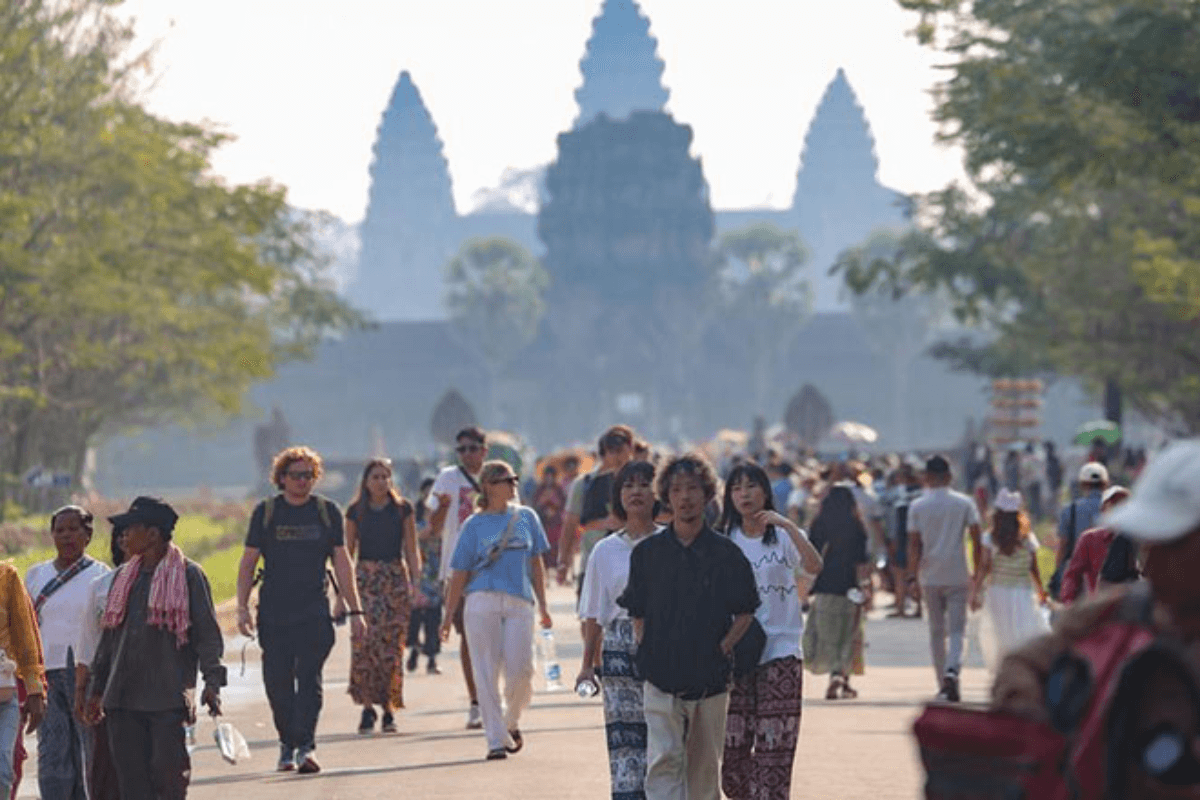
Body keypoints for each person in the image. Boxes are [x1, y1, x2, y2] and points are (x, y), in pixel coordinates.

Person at [990, 440, 1200, 798]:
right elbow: (1024, 662)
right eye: (1151, 542)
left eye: (1172, 543)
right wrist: (1042, 718)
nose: (1154, 559)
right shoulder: (1119, 612)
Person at [617, 453, 760, 800]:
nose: (685, 497)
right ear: (665, 495)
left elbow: (746, 611)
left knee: (704, 769)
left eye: (693, 489)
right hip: (660, 676)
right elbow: (637, 610)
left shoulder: (726, 554)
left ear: (708, 494)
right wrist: (647, 644)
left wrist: (723, 647)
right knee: (663, 761)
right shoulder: (647, 554)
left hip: (710, 678)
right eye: (677, 489)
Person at [236, 445, 366, 774]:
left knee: (310, 679)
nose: (303, 481)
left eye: (309, 475)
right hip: (275, 612)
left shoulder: (326, 511)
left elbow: (342, 561)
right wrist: (241, 608)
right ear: (282, 477)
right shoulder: (266, 512)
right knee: (277, 682)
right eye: (296, 475)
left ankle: (306, 746)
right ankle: (287, 742)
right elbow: (249, 560)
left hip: (313, 610)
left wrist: (356, 611)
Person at [83, 496, 225, 800]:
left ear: (152, 534)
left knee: (169, 777)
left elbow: (207, 636)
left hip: (166, 699)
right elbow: (109, 641)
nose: (124, 536)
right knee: (132, 785)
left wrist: (213, 682)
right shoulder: (123, 578)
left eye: (130, 529)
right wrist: (96, 690)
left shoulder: (188, 576)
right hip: (121, 700)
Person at [719, 463, 823, 800]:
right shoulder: (724, 538)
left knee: (775, 749)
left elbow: (813, 566)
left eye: (751, 486)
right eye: (737, 488)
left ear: (765, 491)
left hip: (781, 650)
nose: (745, 494)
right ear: (729, 496)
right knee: (733, 757)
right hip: (736, 653)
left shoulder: (781, 535)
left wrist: (791, 526)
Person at [441, 460, 552, 761]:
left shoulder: (527, 517)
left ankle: (510, 722)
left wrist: (543, 604)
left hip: (519, 602)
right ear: (488, 485)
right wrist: (448, 616)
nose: (513, 483)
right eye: (506, 479)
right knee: (485, 671)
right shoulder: (473, 525)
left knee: (522, 670)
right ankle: (494, 740)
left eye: (515, 478)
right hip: (481, 601)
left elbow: (537, 564)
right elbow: (459, 573)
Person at [576, 460, 662, 800]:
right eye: (628, 486)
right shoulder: (605, 550)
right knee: (626, 743)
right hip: (618, 652)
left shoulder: (671, 543)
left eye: (644, 485)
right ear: (618, 496)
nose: (636, 492)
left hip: (664, 645)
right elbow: (594, 614)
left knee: (665, 738)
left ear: (658, 493)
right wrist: (586, 665)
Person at [23, 505, 109, 800]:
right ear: (52, 536)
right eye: (60, 530)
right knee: (53, 750)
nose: (66, 536)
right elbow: (21, 630)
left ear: (88, 535)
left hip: (86, 673)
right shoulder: (35, 576)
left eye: (74, 529)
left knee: (90, 749)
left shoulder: (102, 577)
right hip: (45, 676)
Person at [344, 458, 421, 735]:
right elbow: (347, 554)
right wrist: (342, 595)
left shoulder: (402, 510)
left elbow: (412, 550)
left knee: (391, 646)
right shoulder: (356, 512)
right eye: (375, 477)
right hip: (365, 581)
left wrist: (416, 584)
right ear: (366, 482)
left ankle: (389, 707)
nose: (381, 482)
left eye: (385, 477)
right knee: (365, 645)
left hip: (393, 580)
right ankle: (367, 707)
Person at [907, 454, 982, 702]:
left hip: (930, 575)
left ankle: (942, 684)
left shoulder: (917, 505)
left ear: (926, 478)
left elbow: (914, 545)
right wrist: (978, 574)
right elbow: (977, 539)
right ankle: (953, 671)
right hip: (958, 573)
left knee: (937, 631)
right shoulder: (964, 503)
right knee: (958, 630)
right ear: (949, 477)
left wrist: (911, 577)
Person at [427, 426, 488, 729]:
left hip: (494, 568)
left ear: (484, 450)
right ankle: (476, 701)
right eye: (461, 449)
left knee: (495, 636)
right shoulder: (447, 479)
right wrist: (444, 508)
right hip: (459, 569)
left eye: (473, 448)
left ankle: (491, 693)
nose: (467, 454)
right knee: (469, 636)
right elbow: (434, 527)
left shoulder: (495, 477)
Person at [76, 521, 130, 800]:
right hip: (106, 688)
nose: (126, 540)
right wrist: (81, 690)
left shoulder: (170, 581)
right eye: (121, 535)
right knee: (105, 764)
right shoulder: (101, 586)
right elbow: (89, 643)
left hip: (150, 689)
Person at [803, 485, 871, 700]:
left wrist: (804, 588)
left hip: (825, 586)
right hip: (850, 587)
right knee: (849, 634)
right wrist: (867, 587)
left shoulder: (819, 523)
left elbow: (810, 557)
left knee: (828, 635)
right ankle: (843, 677)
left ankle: (835, 674)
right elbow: (862, 562)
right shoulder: (857, 526)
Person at [969, 490, 1049, 670]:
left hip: (998, 592)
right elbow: (1033, 568)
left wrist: (975, 592)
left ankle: (1005, 668)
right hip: (1022, 592)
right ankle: (1020, 667)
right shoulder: (1027, 539)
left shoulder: (990, 538)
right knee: (1022, 632)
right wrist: (1041, 591)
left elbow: (984, 567)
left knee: (1001, 634)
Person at [557, 425, 635, 592]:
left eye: (623, 450)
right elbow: (570, 524)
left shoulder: (638, 484)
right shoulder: (584, 484)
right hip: (593, 565)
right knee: (591, 617)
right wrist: (563, 562)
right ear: (603, 453)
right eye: (613, 451)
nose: (619, 457)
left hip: (631, 567)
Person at [0, 554, 44, 800]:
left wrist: (35, 689)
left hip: (5, 690)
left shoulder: (7, 577)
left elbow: (25, 636)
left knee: (4, 768)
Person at [1059, 485, 1131, 603]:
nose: (1118, 510)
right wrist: (1069, 602)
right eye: (1113, 505)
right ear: (1104, 510)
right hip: (1098, 609)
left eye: (1122, 505)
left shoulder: (1139, 539)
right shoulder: (1090, 539)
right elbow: (1073, 575)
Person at [1049, 461, 1109, 599]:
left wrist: (1058, 572)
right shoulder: (1116, 511)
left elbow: (1063, 547)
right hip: (1107, 576)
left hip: (1077, 577)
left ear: (1082, 484)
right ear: (1106, 484)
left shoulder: (1070, 510)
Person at [407, 477, 443, 675]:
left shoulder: (444, 517)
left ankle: (431, 658)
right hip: (418, 574)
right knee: (414, 618)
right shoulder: (412, 517)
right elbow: (416, 536)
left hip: (436, 575)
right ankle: (414, 648)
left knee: (434, 619)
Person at [531, 465, 567, 568]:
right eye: (547, 475)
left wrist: (554, 501)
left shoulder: (558, 488)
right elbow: (535, 504)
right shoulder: (540, 488)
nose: (549, 478)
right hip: (543, 522)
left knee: (555, 547)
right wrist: (543, 500)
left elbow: (563, 504)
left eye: (551, 475)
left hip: (555, 522)